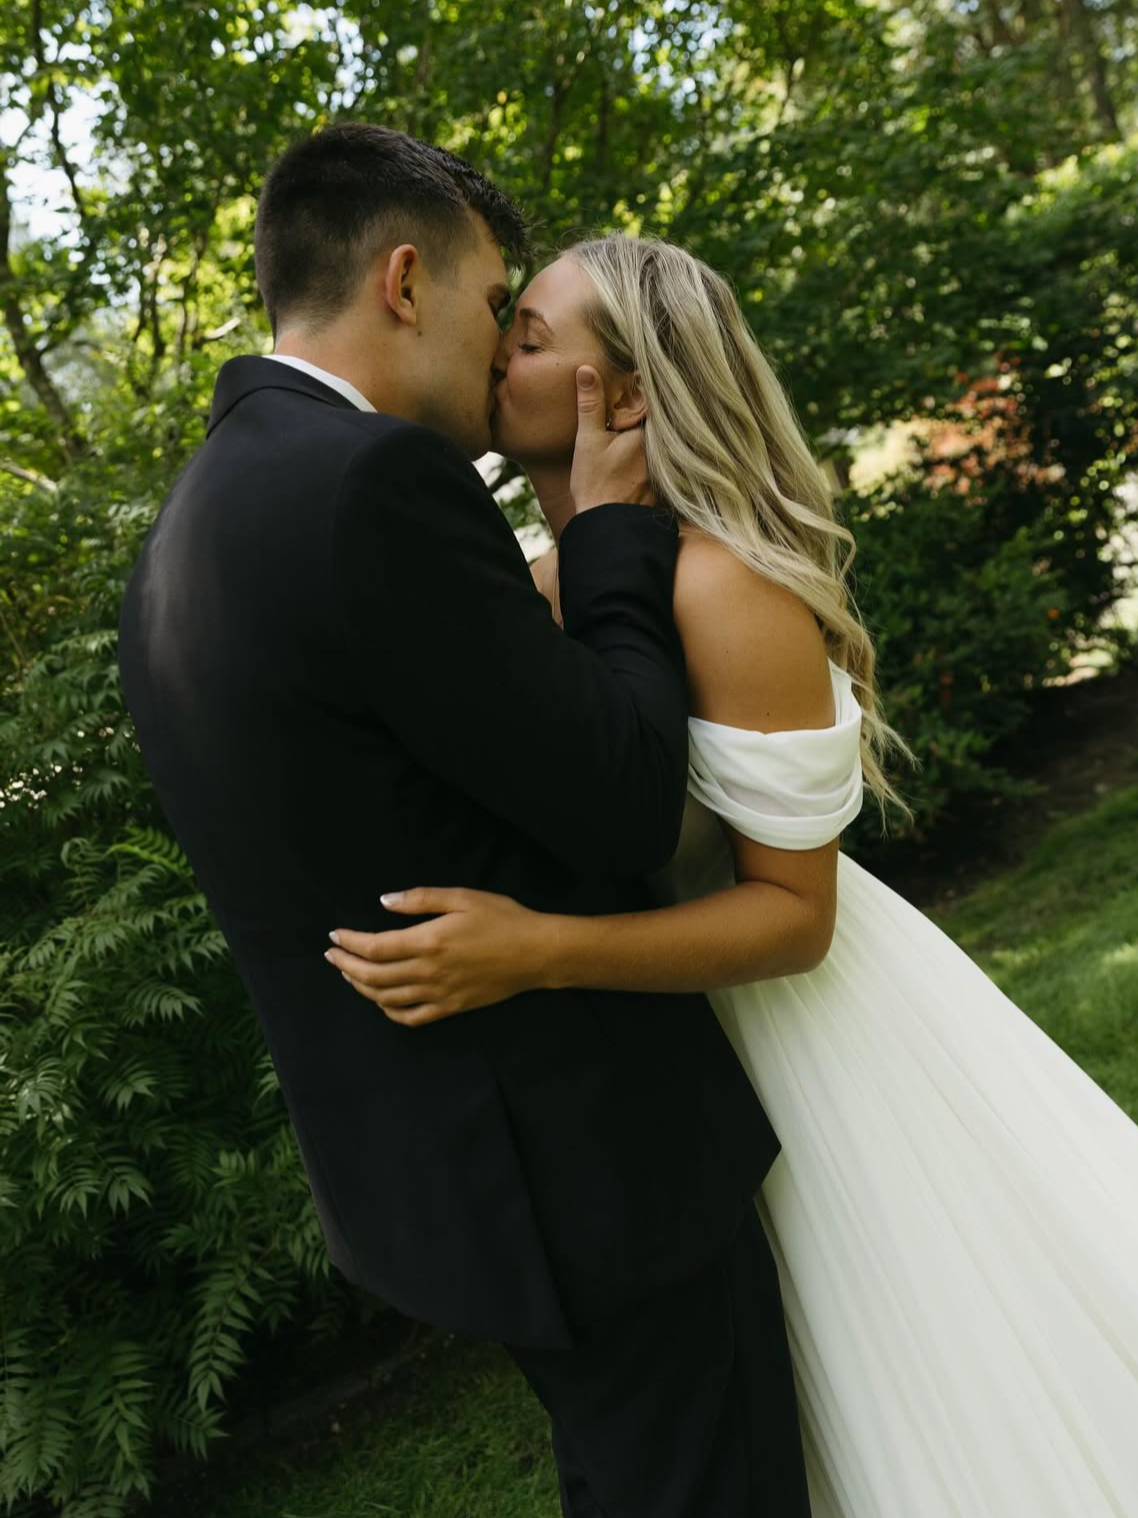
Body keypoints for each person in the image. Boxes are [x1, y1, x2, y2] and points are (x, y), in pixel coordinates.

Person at [327, 233, 1138, 1518]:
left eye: (528, 335)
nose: (492, 348)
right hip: (654, 1086)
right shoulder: (528, 593)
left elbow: (792, 917)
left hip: (808, 1048)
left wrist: (536, 950)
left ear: (629, 397)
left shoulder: (724, 582)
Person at [116, 126, 812, 1517]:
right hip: (590, 1167)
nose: (499, 344)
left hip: (441, 1183)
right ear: (401, 280)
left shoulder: (183, 535)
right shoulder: (372, 483)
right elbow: (621, 806)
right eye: (496, 301)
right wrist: (610, 532)